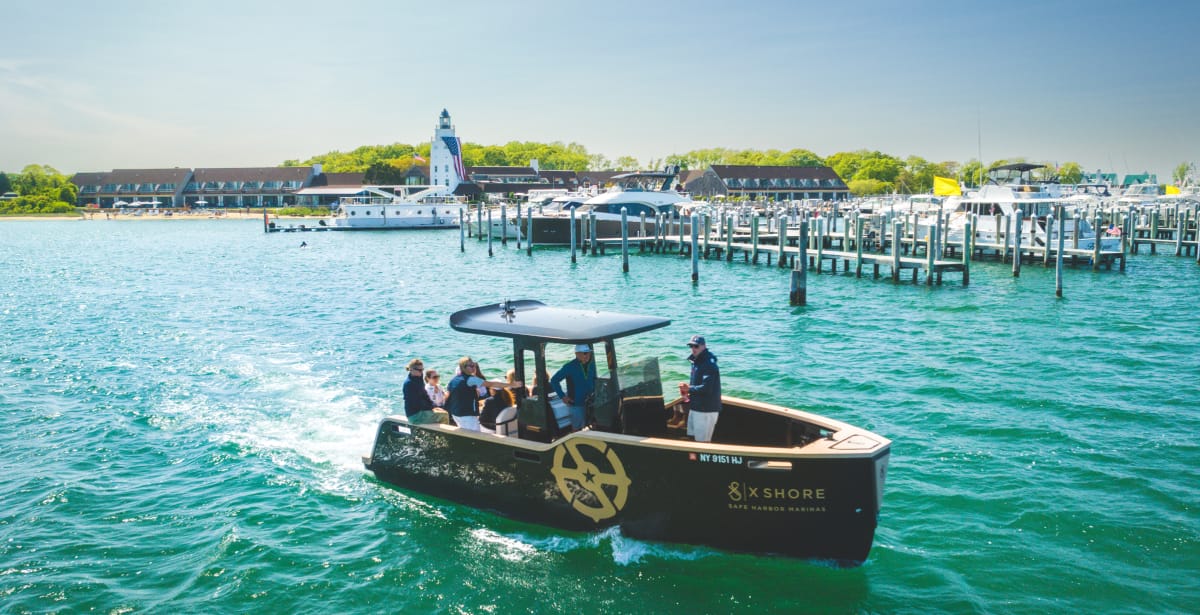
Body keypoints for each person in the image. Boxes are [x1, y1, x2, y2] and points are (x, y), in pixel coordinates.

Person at [680, 335, 721, 442]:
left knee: (703, 443)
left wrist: (689, 389)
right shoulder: (697, 361)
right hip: (696, 406)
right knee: (692, 436)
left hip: (705, 410)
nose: (693, 349)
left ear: (704, 346)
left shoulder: (708, 364)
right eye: (691, 346)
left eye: (696, 346)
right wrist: (688, 392)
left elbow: (707, 388)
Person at [551, 344, 597, 430]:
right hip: (576, 404)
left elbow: (595, 381)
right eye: (585, 353)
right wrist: (562, 396)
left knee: (592, 427)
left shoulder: (592, 365)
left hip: (590, 403)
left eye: (589, 353)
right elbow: (554, 380)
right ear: (577, 354)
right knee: (577, 429)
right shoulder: (569, 367)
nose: (587, 355)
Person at [402, 359, 450, 425]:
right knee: (444, 415)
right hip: (415, 416)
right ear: (411, 369)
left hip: (421, 411)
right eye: (419, 370)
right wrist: (431, 409)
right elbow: (416, 403)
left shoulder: (419, 377)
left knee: (442, 411)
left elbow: (424, 394)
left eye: (422, 369)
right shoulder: (409, 384)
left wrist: (433, 407)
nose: (421, 372)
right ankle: (442, 435)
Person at [445, 357, 484, 430]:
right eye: (471, 366)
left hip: (456, 413)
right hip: (466, 414)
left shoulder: (453, 380)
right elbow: (490, 384)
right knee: (476, 433)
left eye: (474, 366)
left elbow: (447, 397)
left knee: (464, 430)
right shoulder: (470, 379)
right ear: (464, 368)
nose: (474, 368)